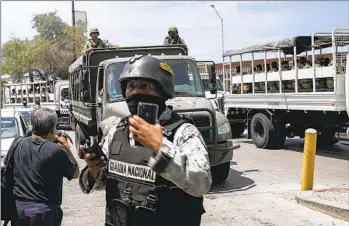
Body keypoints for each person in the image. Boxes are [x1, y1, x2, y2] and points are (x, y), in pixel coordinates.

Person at [79, 55, 212, 226]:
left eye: (145, 86)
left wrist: (159, 146)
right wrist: (94, 168)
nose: (135, 92)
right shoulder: (116, 131)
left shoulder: (183, 132)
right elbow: (100, 182)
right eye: (131, 86)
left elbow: (201, 183)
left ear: (162, 91)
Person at [8, 108, 79, 226]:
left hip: (19, 210)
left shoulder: (18, 143)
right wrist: (66, 147)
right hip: (42, 214)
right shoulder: (56, 150)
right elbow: (75, 173)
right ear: (52, 129)